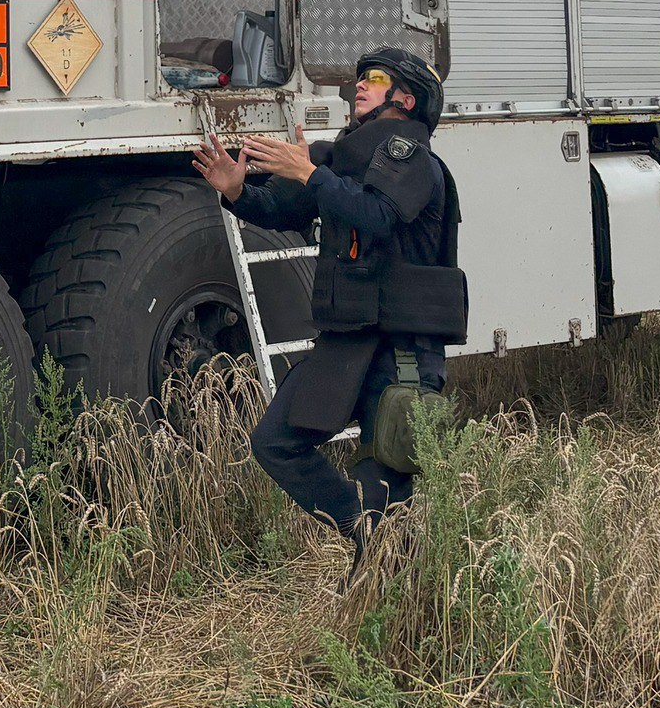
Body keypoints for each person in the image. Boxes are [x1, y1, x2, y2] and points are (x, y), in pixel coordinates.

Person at [192, 44, 464, 545]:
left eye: (375, 78)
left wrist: (312, 175)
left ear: (406, 100)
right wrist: (236, 191)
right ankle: (365, 533)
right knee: (275, 443)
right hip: (347, 339)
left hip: (401, 349)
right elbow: (284, 213)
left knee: (387, 474)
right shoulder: (343, 162)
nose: (358, 84)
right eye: (360, 77)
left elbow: (378, 215)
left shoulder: (413, 160)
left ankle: (386, 573)